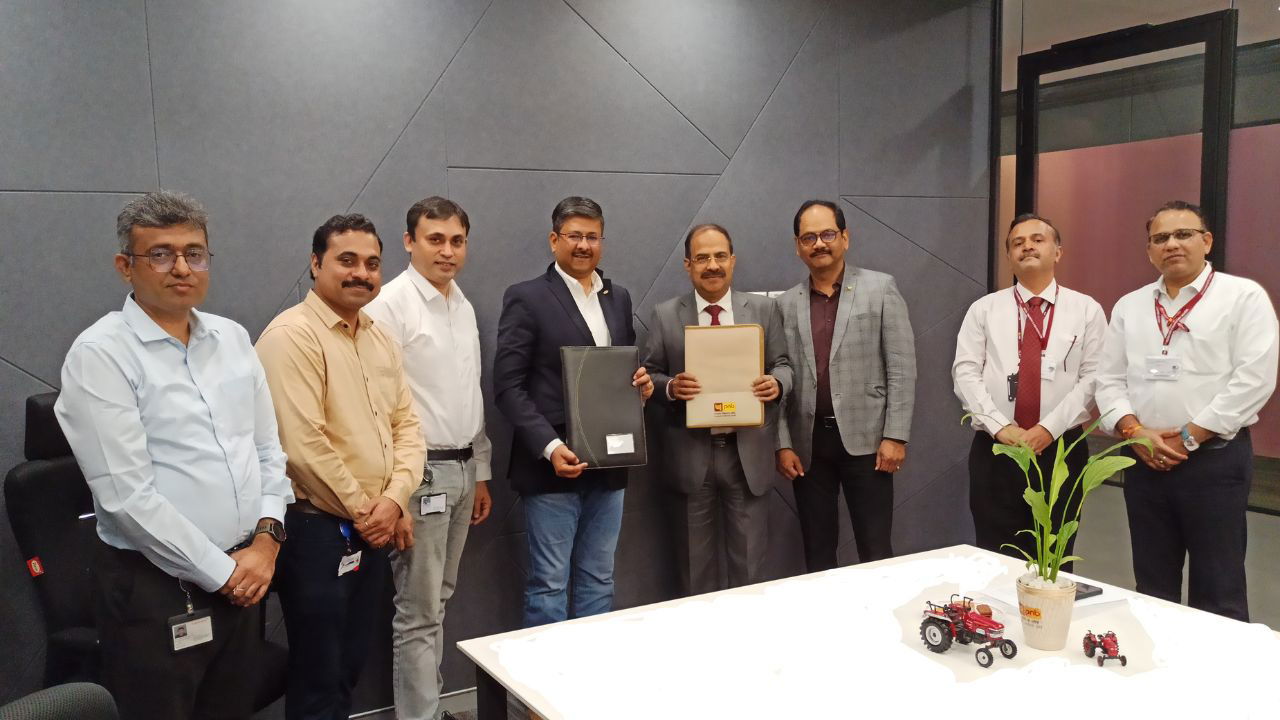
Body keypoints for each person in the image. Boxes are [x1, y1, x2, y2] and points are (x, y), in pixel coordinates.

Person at [55, 191, 291, 720]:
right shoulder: (100, 355)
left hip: (247, 572)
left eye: (195, 252)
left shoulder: (232, 339)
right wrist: (226, 573)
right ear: (126, 267)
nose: (181, 267)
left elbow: (267, 452)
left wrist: (266, 541)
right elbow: (126, 498)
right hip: (157, 591)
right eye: (160, 254)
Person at [256, 213, 425, 719]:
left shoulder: (379, 338)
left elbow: (409, 429)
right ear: (315, 263)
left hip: (369, 529)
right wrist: (367, 512)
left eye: (372, 264)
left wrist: (394, 501)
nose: (361, 273)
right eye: (346, 260)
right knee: (317, 675)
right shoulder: (290, 337)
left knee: (348, 666)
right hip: (316, 533)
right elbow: (302, 446)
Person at [1096, 200, 1278, 622]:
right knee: (1152, 584)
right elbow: (1107, 380)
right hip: (1143, 459)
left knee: (1219, 586)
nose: (1172, 244)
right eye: (1160, 238)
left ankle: (1215, 681)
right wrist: (1133, 430)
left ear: (1206, 241)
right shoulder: (1130, 305)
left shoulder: (1242, 297)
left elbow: (1254, 379)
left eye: (1183, 234)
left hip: (1214, 463)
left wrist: (1191, 435)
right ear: (1149, 250)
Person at [493, 196, 654, 627]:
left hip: (611, 464)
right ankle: (539, 692)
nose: (583, 245)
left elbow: (622, 370)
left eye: (592, 236)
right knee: (548, 585)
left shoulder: (617, 297)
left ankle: (589, 684)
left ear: (602, 241)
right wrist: (549, 446)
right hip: (553, 468)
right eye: (574, 236)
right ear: (554, 240)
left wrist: (640, 384)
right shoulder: (526, 298)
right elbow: (508, 388)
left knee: (599, 580)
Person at [364, 197, 493, 720]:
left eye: (456, 240)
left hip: (463, 468)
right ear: (408, 242)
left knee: (438, 599)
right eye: (434, 239)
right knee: (418, 613)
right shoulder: (387, 307)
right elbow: (376, 410)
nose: (447, 251)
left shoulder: (461, 304)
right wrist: (396, 493)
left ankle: (430, 710)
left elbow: (470, 394)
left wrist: (480, 470)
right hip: (419, 478)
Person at [643, 223, 791, 594]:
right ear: (688, 264)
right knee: (695, 573)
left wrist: (777, 383)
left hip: (747, 457)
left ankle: (748, 646)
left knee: (750, 570)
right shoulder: (664, 315)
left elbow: (784, 364)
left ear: (733, 260)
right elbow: (650, 375)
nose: (712, 265)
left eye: (720, 256)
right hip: (690, 457)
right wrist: (672, 388)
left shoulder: (762, 308)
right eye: (703, 258)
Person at [952, 213, 1107, 562]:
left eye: (1038, 239)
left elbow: (1093, 377)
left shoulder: (1087, 310)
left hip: (1061, 450)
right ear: (1009, 256)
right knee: (996, 552)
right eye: (1017, 243)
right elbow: (965, 373)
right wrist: (1000, 426)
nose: (1027, 247)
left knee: (1054, 554)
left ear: (1058, 251)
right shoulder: (984, 310)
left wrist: (1047, 429)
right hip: (997, 448)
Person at [775, 199, 916, 570]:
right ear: (798, 245)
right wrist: (783, 442)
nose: (819, 244)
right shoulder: (786, 304)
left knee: (875, 549)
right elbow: (778, 373)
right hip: (808, 446)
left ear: (845, 237)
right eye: (809, 237)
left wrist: (896, 435)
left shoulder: (880, 288)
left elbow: (901, 367)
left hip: (869, 442)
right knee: (817, 551)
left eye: (827, 234)